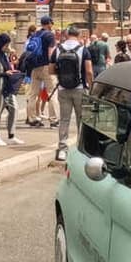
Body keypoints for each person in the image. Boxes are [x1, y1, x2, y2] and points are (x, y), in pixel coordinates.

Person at [51, 25, 94, 162]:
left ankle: (62, 149)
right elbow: (89, 71)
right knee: (81, 119)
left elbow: (51, 70)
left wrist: (62, 74)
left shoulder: (58, 49)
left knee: (64, 120)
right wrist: (91, 87)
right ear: (79, 35)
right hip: (80, 87)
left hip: (63, 88)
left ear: (66, 35)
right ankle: (81, 149)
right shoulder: (83, 50)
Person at [23, 16, 58, 128]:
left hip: (34, 67)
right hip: (46, 66)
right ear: (49, 23)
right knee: (52, 92)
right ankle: (53, 119)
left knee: (33, 94)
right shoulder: (49, 35)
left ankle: (32, 118)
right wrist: (54, 66)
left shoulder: (35, 35)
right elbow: (51, 52)